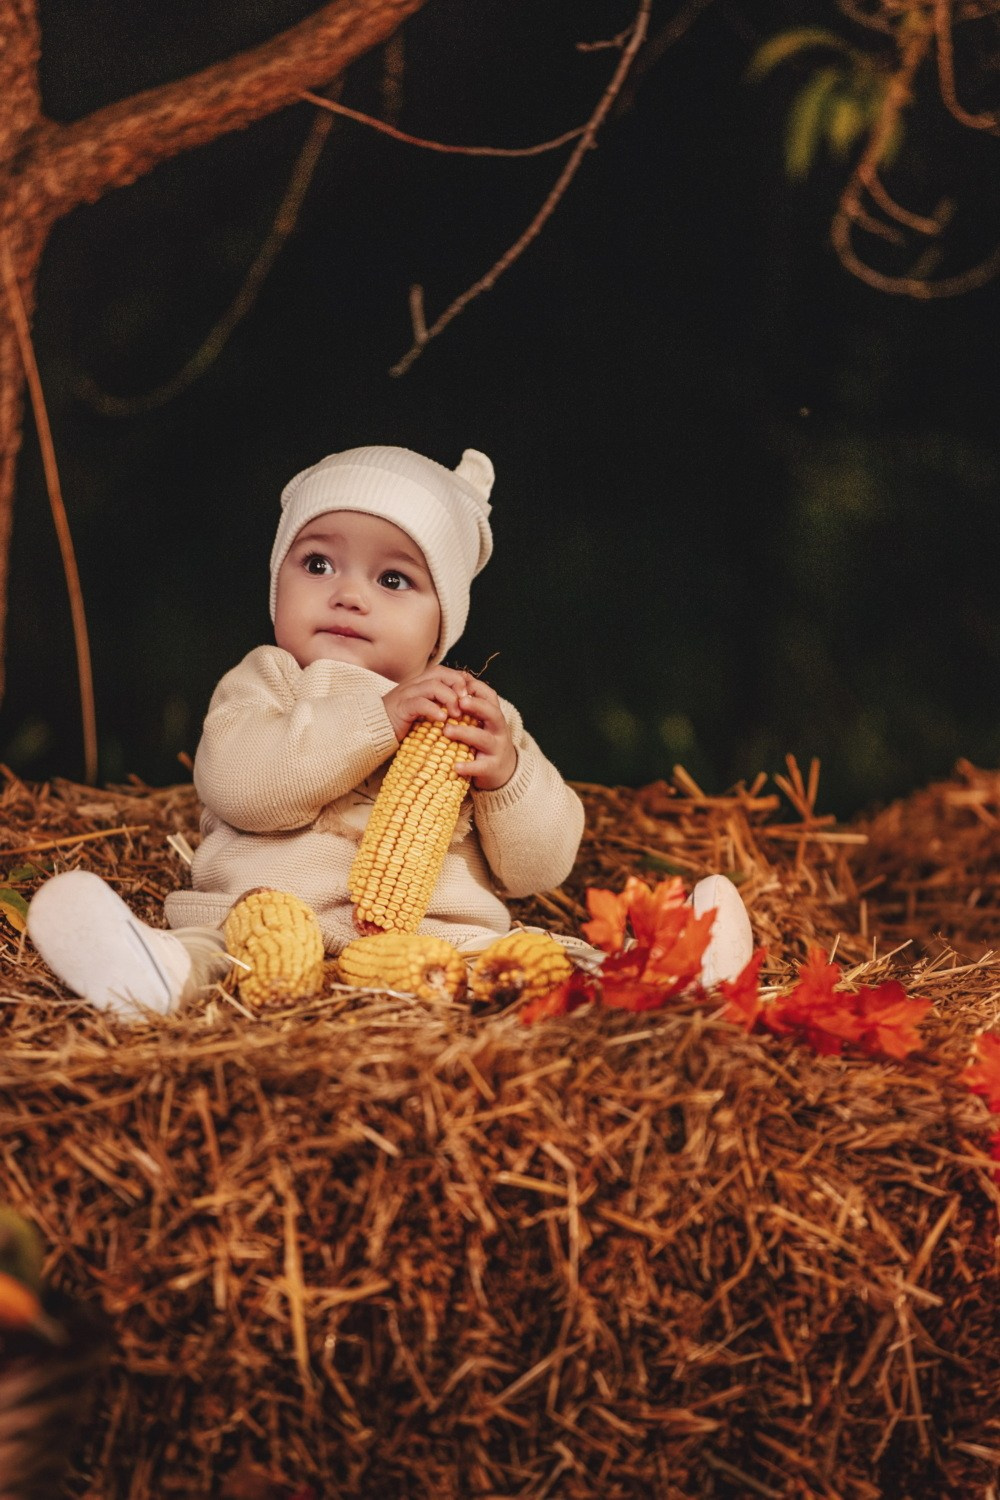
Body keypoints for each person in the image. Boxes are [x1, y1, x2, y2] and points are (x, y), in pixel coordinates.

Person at [27, 444, 753, 1019]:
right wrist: (377, 721)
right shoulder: (266, 682)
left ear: (443, 624)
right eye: (318, 564)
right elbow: (240, 788)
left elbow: (540, 868)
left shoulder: (477, 715)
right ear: (277, 585)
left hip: (440, 947)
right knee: (210, 956)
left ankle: (676, 976)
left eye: (394, 580)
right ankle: (148, 975)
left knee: (544, 965)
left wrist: (506, 777)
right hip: (269, 924)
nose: (348, 593)